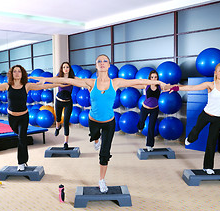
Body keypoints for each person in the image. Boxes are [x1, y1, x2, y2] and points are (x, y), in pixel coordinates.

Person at [37, 54, 168, 193]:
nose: (102, 62)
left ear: (109, 65)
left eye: (105, 60)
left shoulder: (116, 82)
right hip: (93, 121)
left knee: (104, 153)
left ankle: (101, 180)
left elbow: (136, 81)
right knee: (94, 137)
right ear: (96, 65)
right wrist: (46, 79)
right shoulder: (90, 82)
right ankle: (95, 140)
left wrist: (159, 83)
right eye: (99, 61)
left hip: (109, 123)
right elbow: (67, 79)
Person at [0, 65, 63, 171]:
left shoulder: (27, 86)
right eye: (15, 71)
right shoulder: (7, 86)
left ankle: (21, 162)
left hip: (23, 117)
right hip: (12, 118)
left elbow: (44, 87)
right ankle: (24, 159)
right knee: (20, 137)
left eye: (19, 71)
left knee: (21, 139)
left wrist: (59, 84)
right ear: (12, 74)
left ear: (22, 73)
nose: (17, 73)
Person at [29, 62, 76, 150]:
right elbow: (46, 79)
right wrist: (32, 78)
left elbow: (83, 81)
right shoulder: (58, 78)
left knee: (66, 122)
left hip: (68, 102)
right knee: (58, 118)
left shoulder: (73, 78)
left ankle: (66, 142)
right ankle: (58, 127)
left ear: (69, 69)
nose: (65, 69)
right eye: (64, 67)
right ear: (62, 69)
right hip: (59, 101)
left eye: (67, 67)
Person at [134, 70, 167, 151]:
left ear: (157, 78)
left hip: (155, 109)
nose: (153, 78)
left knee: (151, 127)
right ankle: (140, 127)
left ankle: (149, 145)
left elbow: (168, 87)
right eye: (152, 77)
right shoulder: (146, 85)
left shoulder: (160, 87)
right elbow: (135, 85)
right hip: (145, 108)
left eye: (155, 77)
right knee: (141, 122)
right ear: (149, 78)